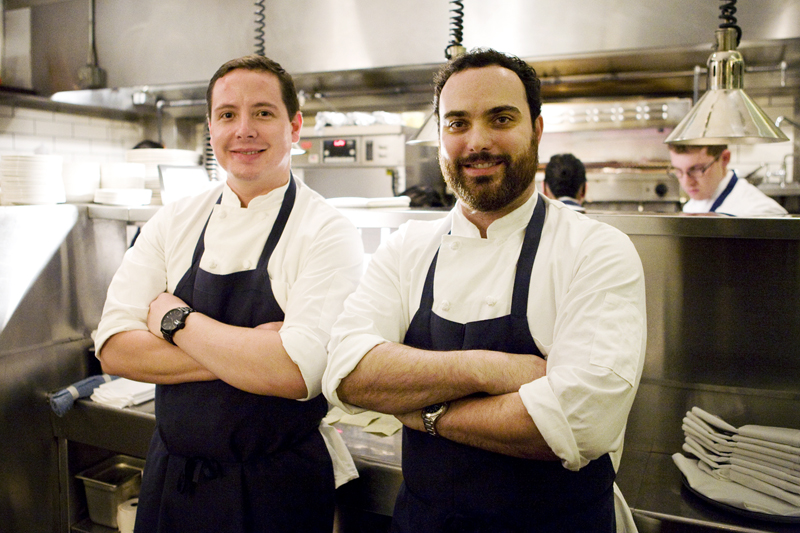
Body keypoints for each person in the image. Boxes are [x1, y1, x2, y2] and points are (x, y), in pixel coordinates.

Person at [323, 48, 646, 532]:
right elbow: (347, 373)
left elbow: (575, 422)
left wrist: (421, 413)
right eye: (456, 123)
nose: (477, 141)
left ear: (536, 130)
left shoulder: (596, 250)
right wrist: (491, 368)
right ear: (439, 137)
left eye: (500, 119)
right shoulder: (408, 247)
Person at [95, 54, 363, 533]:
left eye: (263, 112)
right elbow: (114, 349)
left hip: (277, 490)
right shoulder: (175, 220)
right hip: (172, 480)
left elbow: (298, 371)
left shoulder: (327, 229)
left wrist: (175, 323)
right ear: (211, 128)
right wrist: (251, 351)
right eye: (227, 115)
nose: (244, 129)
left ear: (294, 126)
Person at [667, 144, 787, 216]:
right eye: (678, 171)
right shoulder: (691, 207)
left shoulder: (762, 212)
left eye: (697, 169)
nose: (686, 182)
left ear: (724, 159)